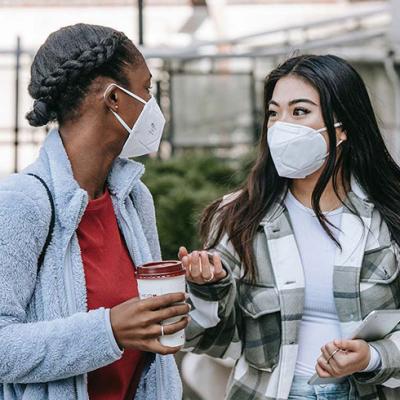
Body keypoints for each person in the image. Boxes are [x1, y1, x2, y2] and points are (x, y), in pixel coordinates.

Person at [180, 54, 400, 400]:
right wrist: (207, 289)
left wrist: (372, 356)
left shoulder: (388, 215)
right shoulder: (239, 217)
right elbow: (204, 339)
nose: (281, 126)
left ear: (342, 127)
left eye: (299, 111)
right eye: (273, 112)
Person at [0, 23, 189, 400]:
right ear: (113, 97)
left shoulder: (135, 199)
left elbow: (149, 325)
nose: (153, 104)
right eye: (146, 88)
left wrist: (195, 289)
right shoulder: (22, 203)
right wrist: (108, 331)